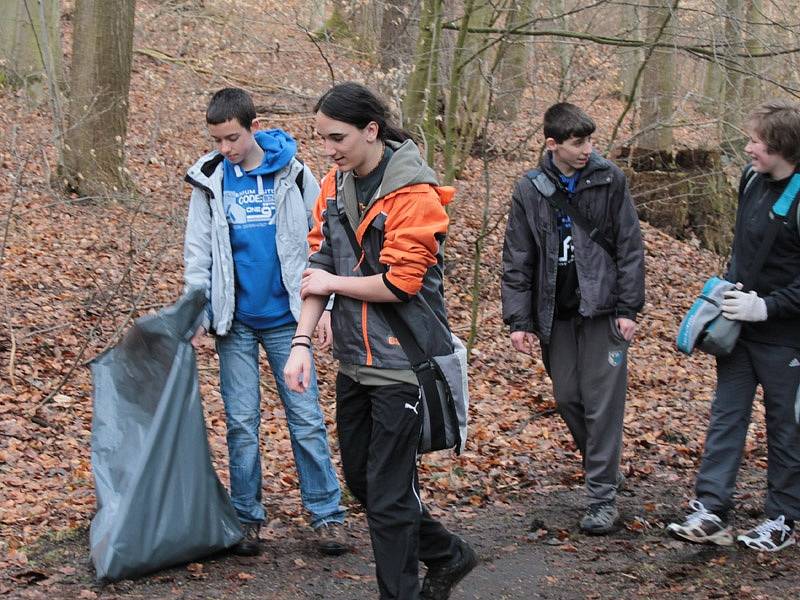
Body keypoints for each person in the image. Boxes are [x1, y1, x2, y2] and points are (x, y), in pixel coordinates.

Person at [283, 82, 477, 600]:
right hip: (355, 364)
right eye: (322, 138)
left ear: (372, 130)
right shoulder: (333, 185)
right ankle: (447, 554)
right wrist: (301, 341)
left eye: (337, 137)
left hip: (405, 367)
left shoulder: (415, 195)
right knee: (366, 485)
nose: (328, 149)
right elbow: (317, 266)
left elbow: (400, 283)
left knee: (390, 499)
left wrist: (333, 285)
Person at [183, 87, 346, 557]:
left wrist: (327, 309)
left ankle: (326, 515)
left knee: (307, 418)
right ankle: (246, 517)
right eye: (217, 139)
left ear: (253, 127)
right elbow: (198, 254)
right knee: (241, 423)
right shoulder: (210, 180)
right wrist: (198, 310)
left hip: (287, 321)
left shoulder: (295, 174)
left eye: (232, 137)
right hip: (234, 321)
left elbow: (325, 240)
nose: (225, 148)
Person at [501, 102, 645, 535]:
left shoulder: (608, 179)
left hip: (603, 311)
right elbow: (518, 257)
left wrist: (628, 309)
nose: (587, 149)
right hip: (556, 313)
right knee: (568, 398)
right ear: (552, 144)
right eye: (578, 142)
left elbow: (629, 246)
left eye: (590, 141)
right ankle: (605, 467)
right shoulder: (529, 188)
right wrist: (519, 320)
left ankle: (602, 497)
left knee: (603, 406)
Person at [667, 100, 800, 552]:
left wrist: (766, 306)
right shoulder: (750, 180)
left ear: (781, 147)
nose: (748, 149)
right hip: (738, 329)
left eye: (756, 142)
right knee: (726, 418)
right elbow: (742, 250)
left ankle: (782, 518)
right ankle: (711, 511)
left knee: (786, 427)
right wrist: (729, 298)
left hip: (786, 337)